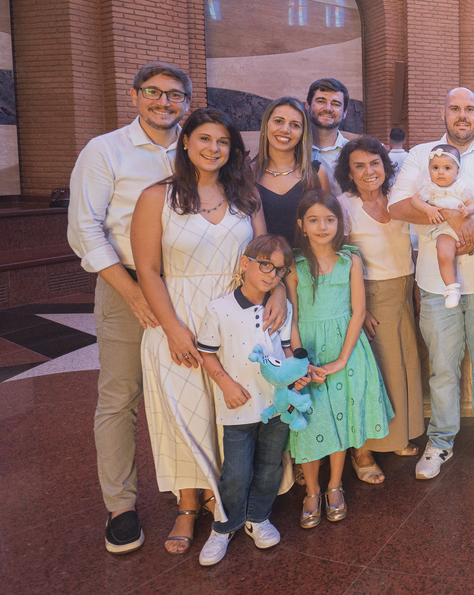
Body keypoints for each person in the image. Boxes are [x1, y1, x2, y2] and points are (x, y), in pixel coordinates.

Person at [129, 108, 267, 554]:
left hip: (235, 319)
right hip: (181, 317)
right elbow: (148, 270)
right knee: (186, 416)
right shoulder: (158, 197)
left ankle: (223, 498)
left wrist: (279, 294)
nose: (213, 149)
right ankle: (188, 504)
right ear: (185, 142)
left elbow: (264, 254)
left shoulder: (245, 196)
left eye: (223, 142)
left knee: (233, 413)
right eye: (204, 139)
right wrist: (172, 328)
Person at [68, 62, 191, 554]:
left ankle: (195, 491)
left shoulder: (196, 145)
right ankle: (120, 506)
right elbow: (84, 228)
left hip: (187, 287)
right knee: (120, 397)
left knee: (190, 389)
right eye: (154, 93)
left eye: (174, 96)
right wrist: (132, 290)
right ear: (135, 95)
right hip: (128, 289)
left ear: (186, 100)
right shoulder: (105, 150)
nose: (164, 103)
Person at [390, 88, 474, 481]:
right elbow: (397, 206)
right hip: (437, 284)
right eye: (455, 109)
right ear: (443, 113)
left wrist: (468, 241)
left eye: (469, 109)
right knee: (443, 369)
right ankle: (440, 442)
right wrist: (448, 219)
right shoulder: (421, 155)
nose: (462, 115)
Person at [286, 191, 395, 528]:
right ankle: (313, 491)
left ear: (339, 223)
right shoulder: (293, 263)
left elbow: (358, 310)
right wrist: (300, 362)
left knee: (341, 419)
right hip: (308, 351)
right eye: (314, 220)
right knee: (311, 421)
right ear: (301, 225)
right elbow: (291, 314)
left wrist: (342, 359)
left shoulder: (350, 260)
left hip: (345, 350)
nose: (323, 226)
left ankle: (335, 485)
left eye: (330, 220)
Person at [196, 235, 305, 566]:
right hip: (239, 407)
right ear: (246, 263)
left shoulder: (279, 309)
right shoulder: (219, 308)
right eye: (265, 265)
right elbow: (206, 353)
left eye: (280, 270)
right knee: (237, 472)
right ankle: (224, 526)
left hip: (276, 407)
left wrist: (296, 376)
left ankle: (259, 517)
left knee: (270, 466)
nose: (272, 274)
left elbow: (287, 351)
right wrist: (226, 384)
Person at [335, 135, 424, 481]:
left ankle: (396, 435)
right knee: (374, 374)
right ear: (349, 172)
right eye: (359, 166)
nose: (369, 171)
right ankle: (364, 451)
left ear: (385, 167)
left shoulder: (398, 201)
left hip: (403, 291)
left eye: (375, 163)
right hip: (369, 297)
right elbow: (338, 260)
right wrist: (356, 307)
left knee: (402, 366)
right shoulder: (343, 205)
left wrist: (415, 288)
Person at [410, 144, 474, 308]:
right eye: (435, 168)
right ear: (429, 169)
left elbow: (472, 204)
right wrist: (427, 208)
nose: (441, 172)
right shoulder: (429, 187)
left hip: (466, 226)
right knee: (443, 254)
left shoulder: (459, 187)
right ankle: (451, 288)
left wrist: (467, 209)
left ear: (457, 171)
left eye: (447, 168)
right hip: (444, 230)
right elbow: (415, 200)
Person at [255, 96, 331, 245]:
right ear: (266, 125)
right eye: (278, 121)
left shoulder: (317, 174)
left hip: (309, 266)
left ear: (303, 133)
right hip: (265, 266)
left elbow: (330, 229)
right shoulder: (247, 175)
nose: (285, 130)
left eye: (295, 125)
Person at [308, 78, 351, 197]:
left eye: (336, 104)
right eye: (321, 101)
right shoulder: (290, 151)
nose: (328, 108)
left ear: (345, 112)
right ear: (308, 105)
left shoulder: (354, 154)